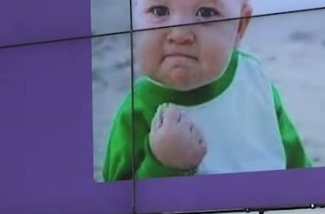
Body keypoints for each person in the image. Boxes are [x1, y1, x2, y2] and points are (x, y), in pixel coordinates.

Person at [101, 0, 312, 181]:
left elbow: (299, 166)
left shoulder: (253, 78)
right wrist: (162, 165)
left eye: (206, 12)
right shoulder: (136, 111)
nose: (180, 34)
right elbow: (117, 209)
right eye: (159, 11)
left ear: (240, 26)